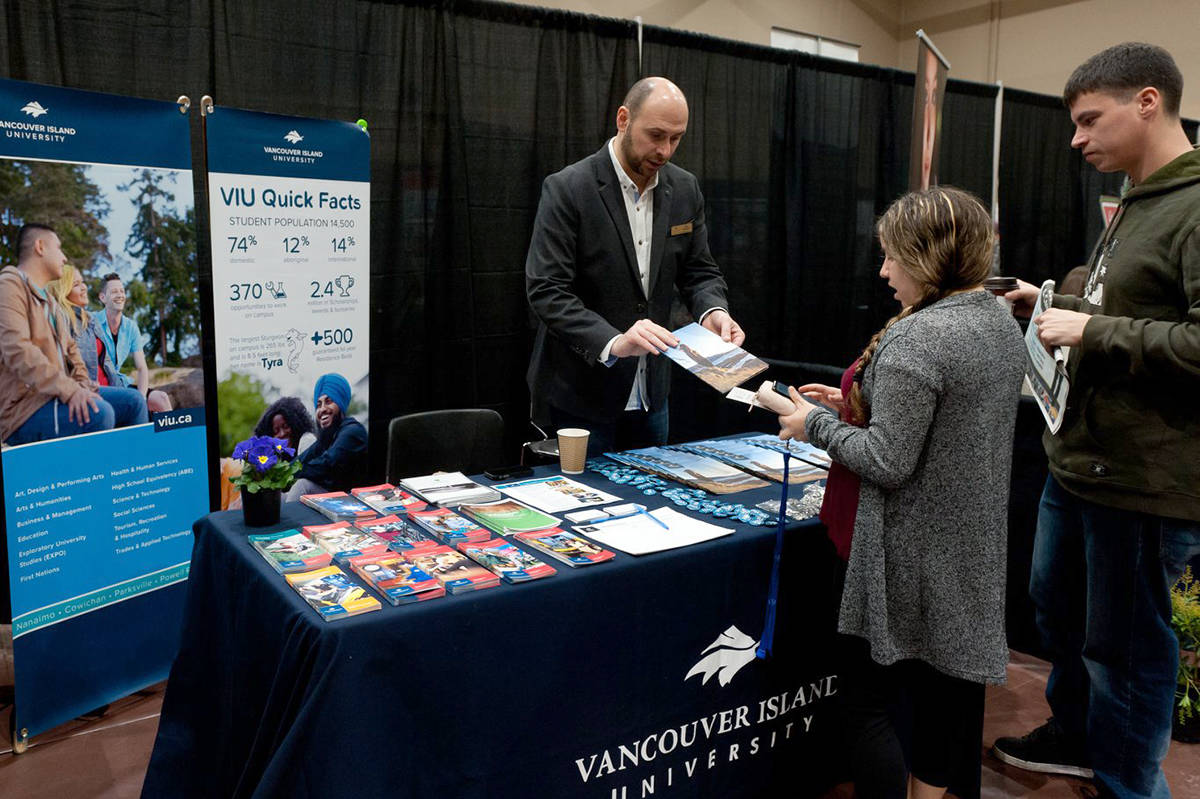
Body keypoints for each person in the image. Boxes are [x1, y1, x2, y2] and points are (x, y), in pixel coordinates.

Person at [992, 43, 1200, 797]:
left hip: (1143, 481)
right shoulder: (1139, 196)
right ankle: (1077, 738)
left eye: (1088, 120)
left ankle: (1129, 783)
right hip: (1080, 461)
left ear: (1148, 102)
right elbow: (1132, 314)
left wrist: (1090, 332)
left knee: (1130, 651)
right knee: (1059, 611)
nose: (1076, 139)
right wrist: (1053, 307)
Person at [777, 188, 1024, 799]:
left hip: (904, 554)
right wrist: (859, 405)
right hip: (969, 545)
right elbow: (951, 424)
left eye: (891, 258)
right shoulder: (995, 320)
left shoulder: (918, 339)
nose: (883, 271)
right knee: (947, 700)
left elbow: (887, 461)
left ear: (926, 258)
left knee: (866, 706)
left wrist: (809, 423)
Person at [525, 77, 744, 457]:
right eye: (656, 135)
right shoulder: (568, 188)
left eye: (676, 138)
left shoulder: (685, 188)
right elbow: (547, 290)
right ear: (623, 119)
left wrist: (713, 311)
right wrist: (614, 342)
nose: (665, 150)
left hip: (652, 396)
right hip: (581, 395)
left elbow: (700, 271)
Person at [0, 223, 147, 445]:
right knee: (100, 414)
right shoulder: (10, 285)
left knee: (134, 401)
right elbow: (18, 351)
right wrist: (71, 390)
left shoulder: (51, 305)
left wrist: (84, 387)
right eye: (59, 248)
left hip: (56, 396)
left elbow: (72, 354)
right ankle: (102, 478)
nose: (64, 257)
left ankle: (134, 474)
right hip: (24, 408)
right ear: (40, 247)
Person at [95, 272, 171, 413]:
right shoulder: (91, 322)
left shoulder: (131, 327)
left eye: (122, 291)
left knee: (162, 399)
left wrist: (141, 398)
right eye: (114, 292)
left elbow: (142, 368)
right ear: (102, 297)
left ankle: (175, 436)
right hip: (100, 387)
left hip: (121, 384)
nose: (120, 295)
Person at [284, 373, 367, 501]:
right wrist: (274, 475)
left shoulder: (353, 432)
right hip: (331, 500)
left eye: (328, 402)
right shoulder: (327, 437)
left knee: (303, 485)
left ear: (340, 404)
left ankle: (287, 522)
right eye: (318, 405)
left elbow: (325, 465)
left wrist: (290, 473)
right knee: (274, 497)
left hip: (352, 503)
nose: (322, 409)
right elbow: (300, 461)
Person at [48, 264, 124, 388]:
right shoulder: (62, 318)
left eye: (82, 282)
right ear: (63, 291)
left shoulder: (90, 318)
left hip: (110, 388)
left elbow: (107, 363)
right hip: (90, 390)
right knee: (136, 400)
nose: (84, 287)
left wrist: (121, 390)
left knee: (152, 398)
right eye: (76, 285)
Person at [253, 396, 318, 455]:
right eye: (276, 431)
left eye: (286, 427)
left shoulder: (307, 441)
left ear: (295, 425)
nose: (282, 433)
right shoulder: (277, 457)